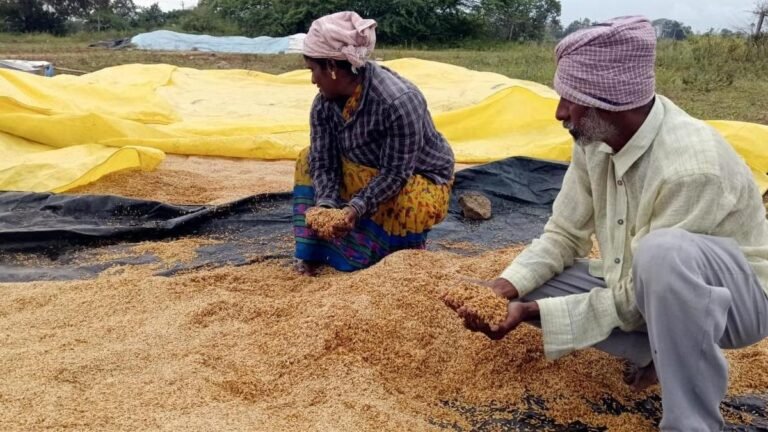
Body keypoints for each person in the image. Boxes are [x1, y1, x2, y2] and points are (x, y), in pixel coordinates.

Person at [444, 16, 768, 431]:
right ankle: (657, 351)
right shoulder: (594, 141)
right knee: (532, 283)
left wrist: (536, 313)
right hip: (650, 283)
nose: (560, 112)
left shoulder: (690, 168)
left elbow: (640, 293)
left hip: (739, 301)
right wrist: (503, 289)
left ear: (612, 101)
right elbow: (563, 235)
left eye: (572, 99)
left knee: (661, 255)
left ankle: (692, 422)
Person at [293, 11, 455, 275]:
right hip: (366, 170)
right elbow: (324, 160)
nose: (312, 80)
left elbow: (395, 173)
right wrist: (326, 206)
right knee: (306, 159)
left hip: (416, 177)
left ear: (332, 67)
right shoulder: (323, 104)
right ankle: (318, 253)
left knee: (411, 200)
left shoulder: (398, 101)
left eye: (313, 70)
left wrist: (354, 209)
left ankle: (401, 257)